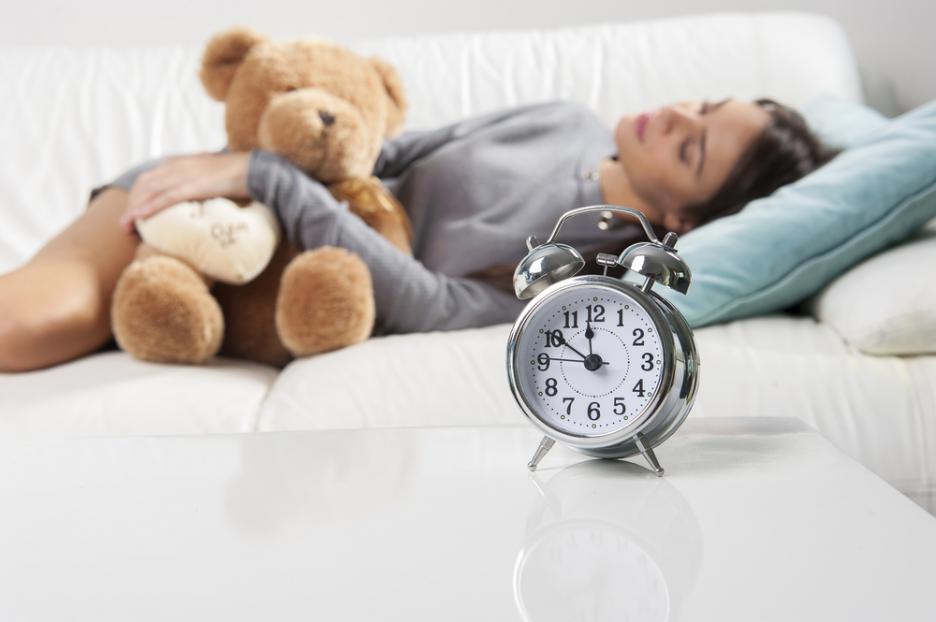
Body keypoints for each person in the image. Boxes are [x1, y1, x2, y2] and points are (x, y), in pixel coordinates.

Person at [0, 98, 834, 373]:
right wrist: (252, 172)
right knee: (41, 318)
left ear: (684, 220)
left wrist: (271, 179)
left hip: (270, 280)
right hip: (212, 205)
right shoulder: (568, 118)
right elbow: (387, 154)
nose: (675, 117)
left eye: (692, 149)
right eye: (703, 106)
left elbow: (429, 305)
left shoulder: (580, 270)